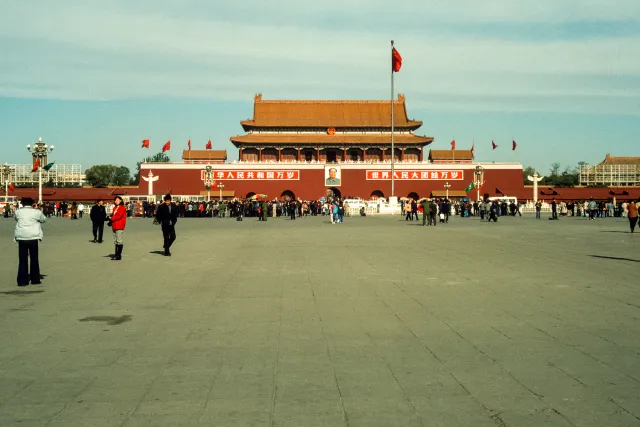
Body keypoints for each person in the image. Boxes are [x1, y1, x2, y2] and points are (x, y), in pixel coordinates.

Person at [14, 197, 46, 286]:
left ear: (22, 204)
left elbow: (16, 218)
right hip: (33, 237)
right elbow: (43, 219)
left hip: (22, 237)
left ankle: (22, 281)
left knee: (23, 260)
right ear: (32, 204)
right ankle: (35, 279)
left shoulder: (18, 212)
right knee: (34, 259)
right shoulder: (36, 212)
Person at [109, 195, 127, 260]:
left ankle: (118, 255)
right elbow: (113, 215)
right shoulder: (115, 208)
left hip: (119, 225)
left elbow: (118, 216)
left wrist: (111, 219)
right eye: (115, 200)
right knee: (116, 240)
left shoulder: (122, 208)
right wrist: (109, 218)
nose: (116, 201)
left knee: (119, 240)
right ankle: (116, 254)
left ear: (121, 200)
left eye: (117, 200)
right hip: (114, 225)